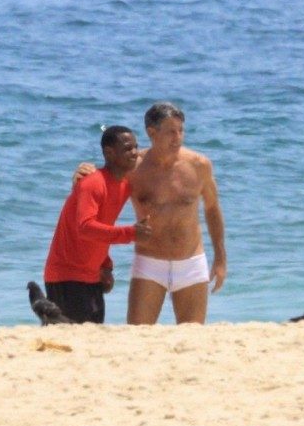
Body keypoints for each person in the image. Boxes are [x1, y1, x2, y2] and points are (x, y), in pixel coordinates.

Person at [126, 102, 227, 325]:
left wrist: (220, 258)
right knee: (137, 337)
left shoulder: (199, 165)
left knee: (192, 338)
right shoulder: (133, 169)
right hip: (148, 263)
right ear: (151, 133)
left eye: (181, 130)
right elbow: (103, 194)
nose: (178, 137)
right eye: (171, 131)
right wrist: (85, 171)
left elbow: (212, 208)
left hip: (191, 264)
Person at [43, 126, 152, 324]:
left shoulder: (124, 185)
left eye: (136, 147)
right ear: (109, 153)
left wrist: (106, 266)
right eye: (128, 148)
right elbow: (85, 227)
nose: (135, 152)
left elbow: (102, 225)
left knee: (88, 340)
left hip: (92, 276)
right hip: (66, 276)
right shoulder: (92, 183)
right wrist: (131, 233)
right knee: (66, 342)